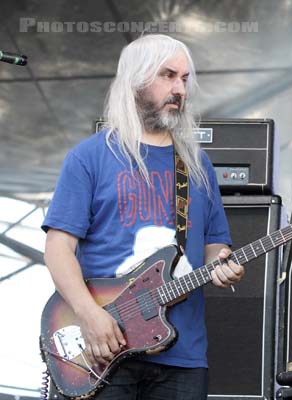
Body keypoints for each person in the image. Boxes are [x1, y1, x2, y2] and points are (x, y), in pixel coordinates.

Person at [42, 34, 244, 399]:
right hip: (101, 346)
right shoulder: (89, 157)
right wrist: (89, 315)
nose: (178, 88)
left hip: (183, 356)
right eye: (167, 75)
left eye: (184, 79)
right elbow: (58, 250)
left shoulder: (196, 166)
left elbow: (215, 245)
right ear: (136, 79)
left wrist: (224, 264)